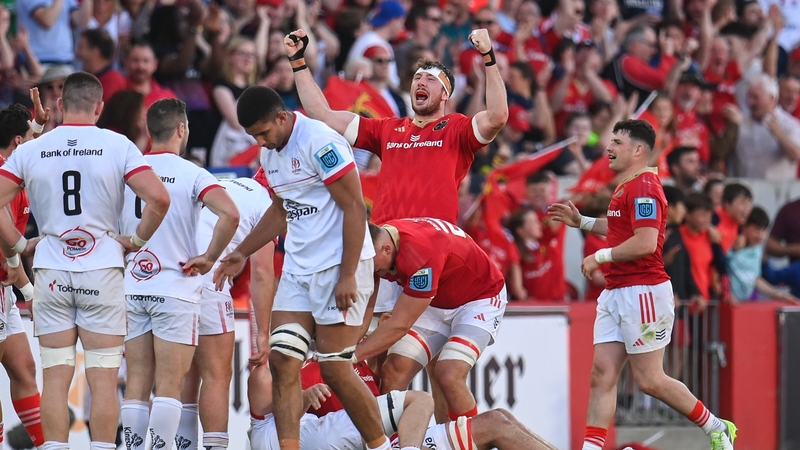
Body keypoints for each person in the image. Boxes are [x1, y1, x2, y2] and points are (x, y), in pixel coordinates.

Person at [284, 26, 508, 316]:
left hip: (427, 255)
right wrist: (298, 63)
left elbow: (498, 116)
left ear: (444, 95)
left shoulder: (458, 129)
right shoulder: (387, 128)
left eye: (430, 78)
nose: (420, 82)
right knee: (372, 344)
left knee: (404, 351)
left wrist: (488, 57)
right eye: (417, 78)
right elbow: (322, 115)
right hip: (382, 252)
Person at [0, 72, 171, 450]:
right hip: (102, 270)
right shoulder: (117, 144)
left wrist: (18, 245)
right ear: (99, 107)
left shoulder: (31, 149)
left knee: (56, 379)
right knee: (103, 380)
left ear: (60, 106)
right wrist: (136, 241)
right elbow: (159, 199)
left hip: (52, 272)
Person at [212, 86, 387, 450]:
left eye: (263, 132)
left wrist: (348, 274)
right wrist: (242, 252)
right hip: (298, 270)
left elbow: (355, 208)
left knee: (335, 368)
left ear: (282, 116)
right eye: (253, 136)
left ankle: (381, 446)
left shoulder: (321, 143)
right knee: (282, 361)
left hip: (339, 265)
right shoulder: (270, 153)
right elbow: (280, 210)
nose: (261, 141)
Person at [548, 119, 737, 450]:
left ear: (638, 150)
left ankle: (716, 426)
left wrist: (601, 257)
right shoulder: (628, 184)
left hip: (643, 291)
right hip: (617, 292)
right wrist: (582, 221)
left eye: (617, 142)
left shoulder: (646, 187)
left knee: (650, 380)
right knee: (602, 376)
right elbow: (621, 228)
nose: (608, 148)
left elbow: (647, 242)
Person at [119, 98, 239, 450]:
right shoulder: (192, 173)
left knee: (138, 383)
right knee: (169, 385)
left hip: (133, 287)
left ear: (148, 129)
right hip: (176, 290)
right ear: (182, 129)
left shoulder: (129, 169)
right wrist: (209, 257)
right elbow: (230, 214)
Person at [355, 218, 507, 421]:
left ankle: (474, 439)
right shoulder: (379, 245)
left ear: (386, 249)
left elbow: (399, 325)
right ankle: (392, 443)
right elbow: (366, 311)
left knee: (449, 375)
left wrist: (350, 357)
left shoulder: (420, 254)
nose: (368, 270)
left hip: (479, 299)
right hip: (435, 299)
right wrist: (346, 350)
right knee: (393, 370)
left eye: (369, 265)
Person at [247, 357, 558, 450]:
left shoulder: (362, 363)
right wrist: (302, 397)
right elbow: (269, 405)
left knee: (498, 420)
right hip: (368, 438)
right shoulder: (291, 374)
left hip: (388, 439)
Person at [177, 175, 277, 450]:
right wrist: (263, 334)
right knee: (217, 375)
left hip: (171, 275)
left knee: (184, 376)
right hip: (207, 280)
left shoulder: (217, 180)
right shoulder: (268, 203)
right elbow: (262, 273)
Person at [0, 102, 48, 449]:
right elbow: (7, 241)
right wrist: (29, 290)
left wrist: (41, 126)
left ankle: (46, 446)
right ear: (18, 142)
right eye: (33, 138)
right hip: (4, 283)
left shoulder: (13, 171)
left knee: (23, 367)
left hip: (3, 290)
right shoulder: (3, 174)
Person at [728, 206, 798, 302]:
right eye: (757, 229)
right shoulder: (732, 244)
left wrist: (778, 295)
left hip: (742, 304)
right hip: (725, 302)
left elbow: (754, 279)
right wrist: (726, 294)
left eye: (764, 230)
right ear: (744, 227)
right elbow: (720, 270)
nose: (760, 235)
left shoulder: (757, 251)